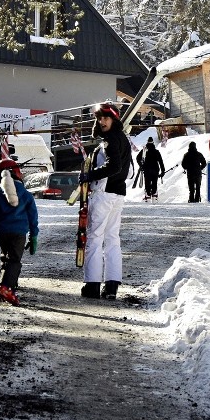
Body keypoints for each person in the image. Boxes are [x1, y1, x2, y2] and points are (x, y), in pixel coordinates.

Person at [79, 102, 132, 300]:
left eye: (106, 118)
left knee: (94, 238)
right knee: (112, 239)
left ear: (114, 119)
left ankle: (91, 284)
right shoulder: (123, 139)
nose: (102, 121)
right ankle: (111, 285)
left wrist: (90, 175)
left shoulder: (110, 139)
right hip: (118, 195)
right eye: (99, 118)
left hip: (103, 194)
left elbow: (114, 166)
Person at [0, 159, 39, 306]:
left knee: (6, 260)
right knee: (14, 261)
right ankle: (6, 287)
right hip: (18, 234)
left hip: (3, 234)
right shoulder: (26, 195)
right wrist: (34, 236)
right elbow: (33, 217)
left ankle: (8, 287)